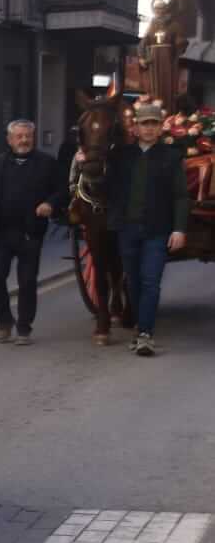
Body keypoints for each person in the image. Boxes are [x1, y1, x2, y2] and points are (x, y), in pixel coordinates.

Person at [103, 99, 189, 355]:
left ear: (161, 128)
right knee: (133, 282)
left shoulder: (171, 157)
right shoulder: (120, 156)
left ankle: (145, 334)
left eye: (153, 124)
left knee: (151, 280)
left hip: (157, 230)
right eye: (144, 124)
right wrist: (81, 157)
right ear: (135, 128)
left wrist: (179, 229)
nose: (149, 128)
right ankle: (140, 325)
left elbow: (180, 196)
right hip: (127, 229)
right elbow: (104, 183)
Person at [0, 119, 62, 345]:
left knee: (27, 281)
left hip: (30, 232)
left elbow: (61, 190)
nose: (24, 140)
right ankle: (5, 320)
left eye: (28, 136)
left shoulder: (47, 163)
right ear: (9, 140)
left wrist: (50, 203)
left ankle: (24, 327)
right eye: (19, 136)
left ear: (33, 138)